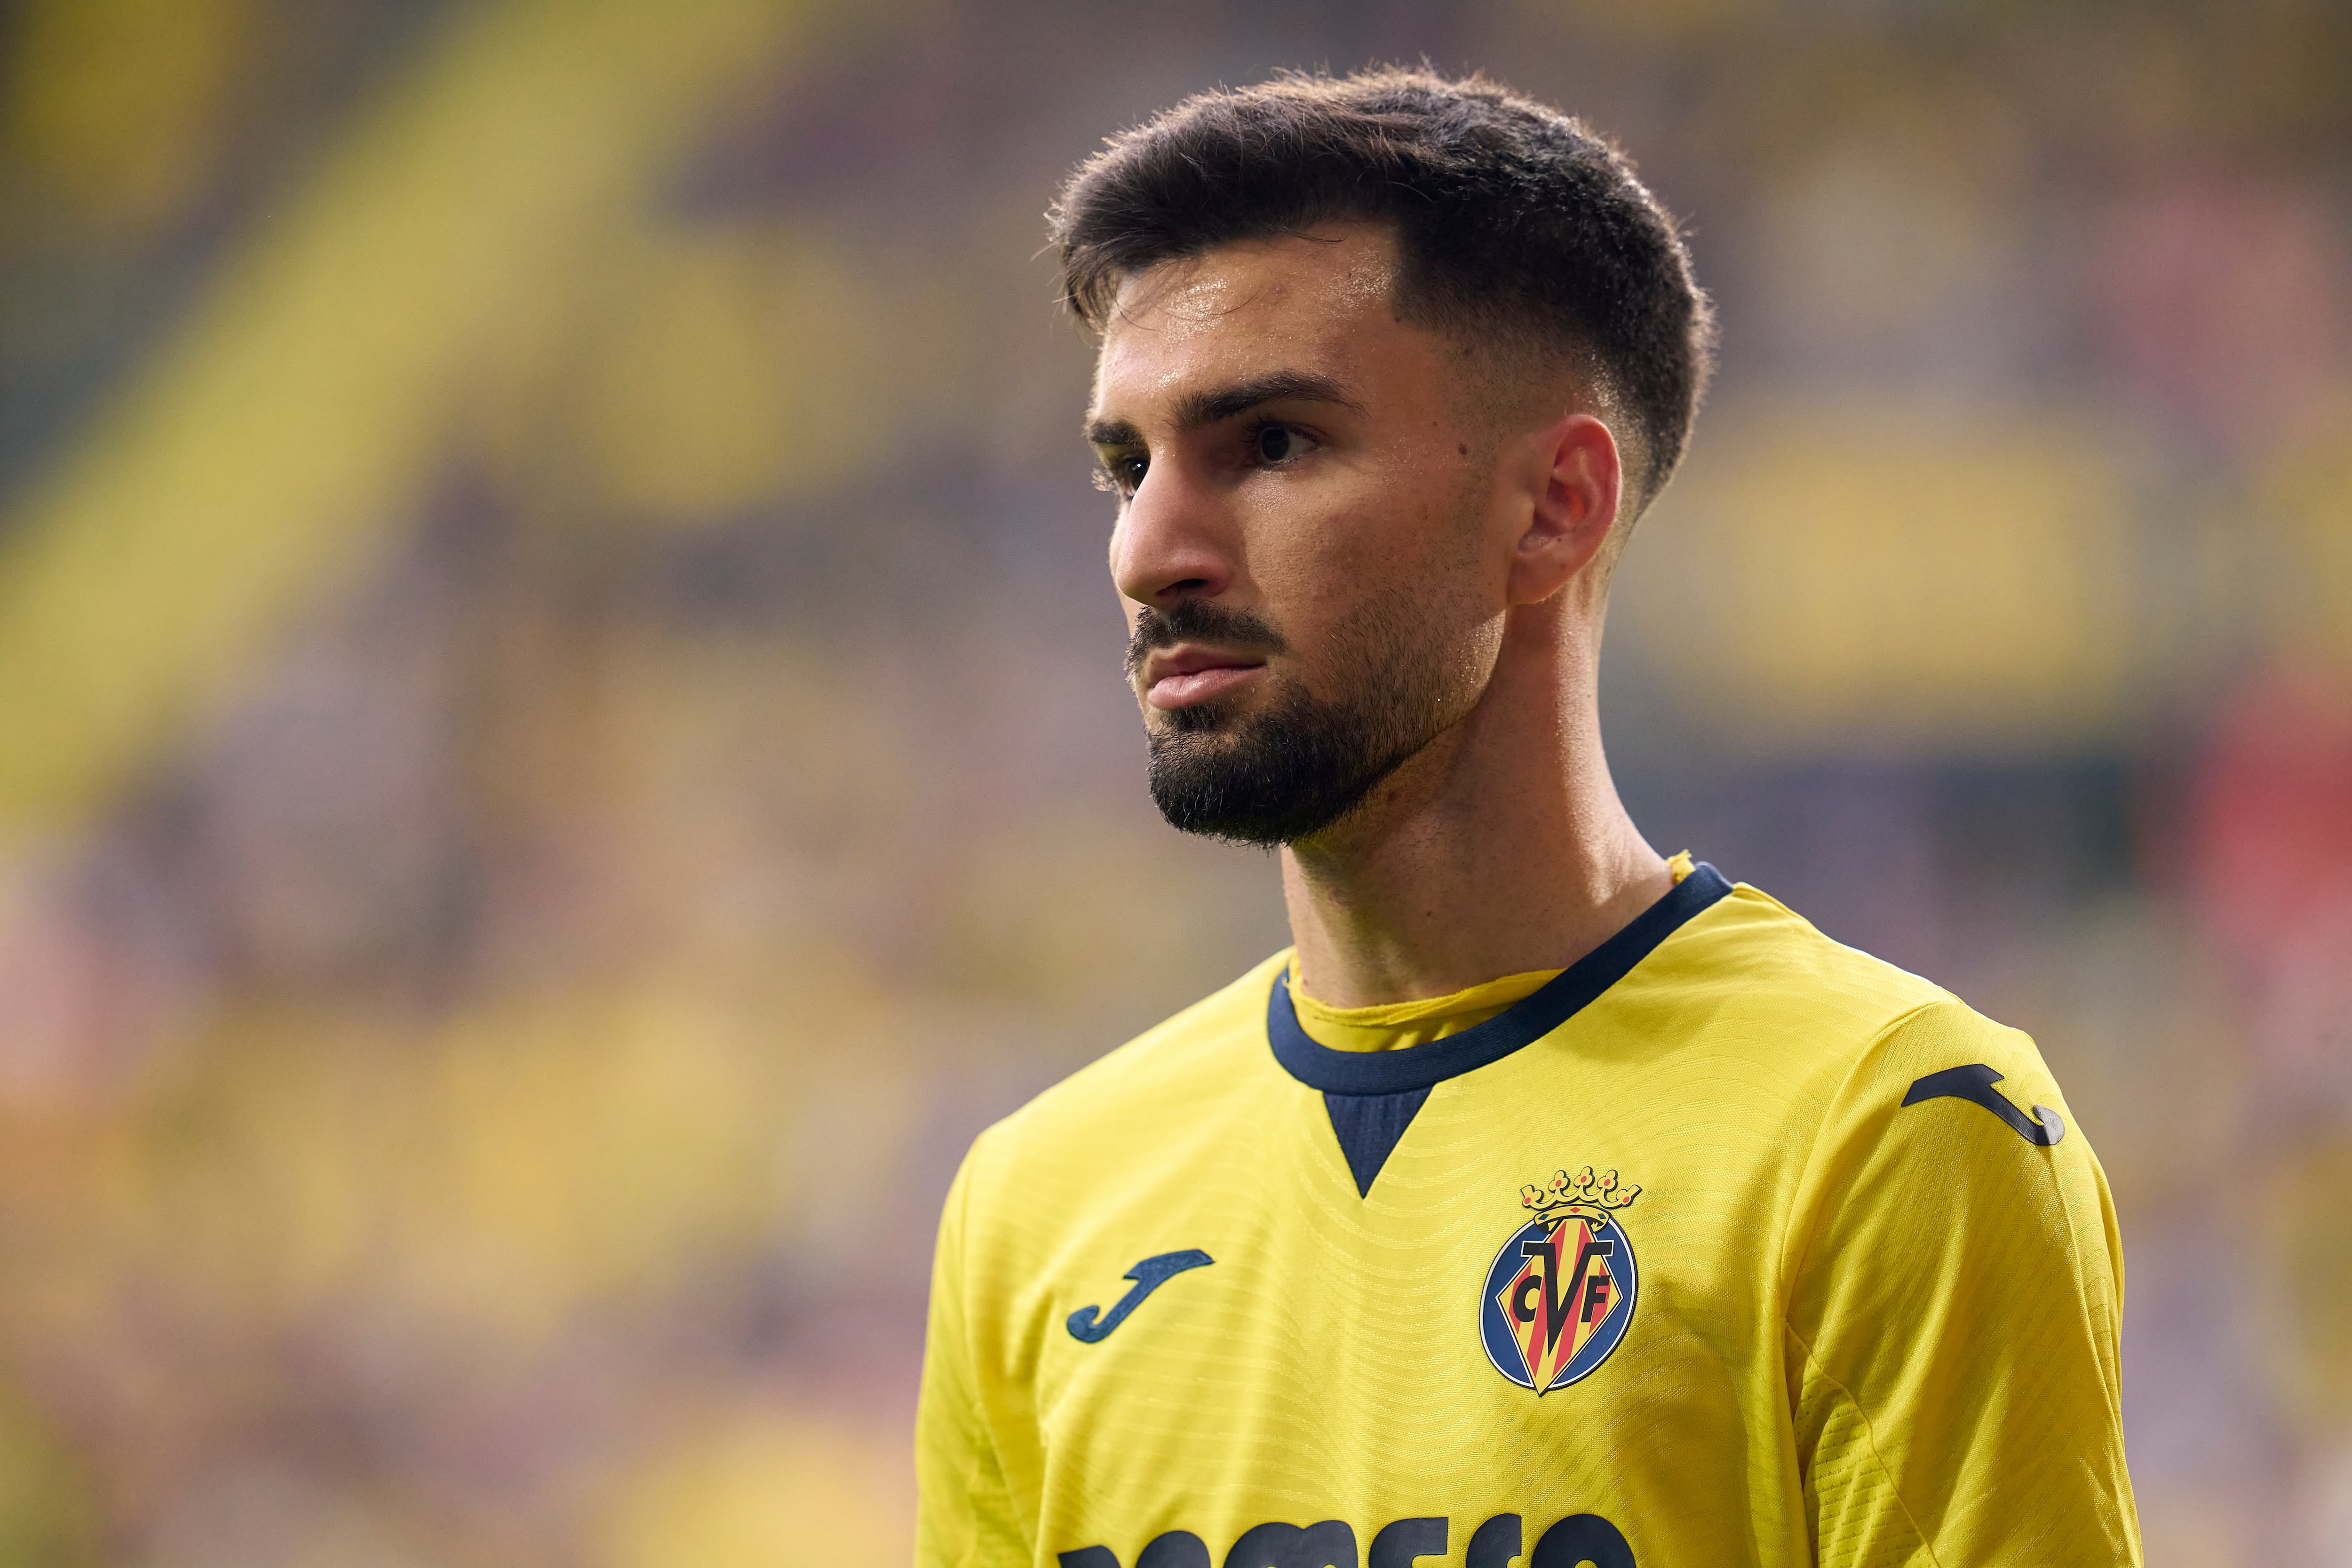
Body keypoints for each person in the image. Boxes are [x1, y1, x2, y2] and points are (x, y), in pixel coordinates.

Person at [915, 68, 2141, 1568]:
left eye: (1274, 445)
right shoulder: (1038, 1206)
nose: (1148, 550)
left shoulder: (1889, 1135)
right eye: (1129, 465)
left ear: (1554, 507)